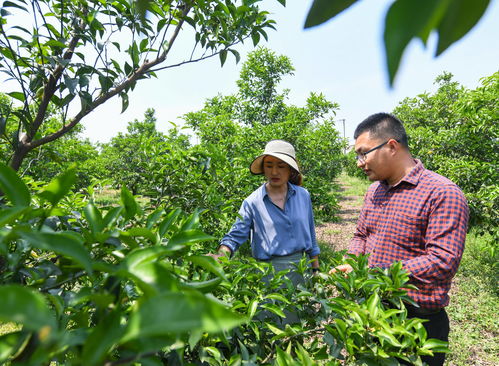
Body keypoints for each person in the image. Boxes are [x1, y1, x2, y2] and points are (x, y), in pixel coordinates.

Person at [334, 113, 468, 366]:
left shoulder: (442, 193)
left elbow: (442, 261)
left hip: (416, 321)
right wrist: (352, 261)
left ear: (391, 146)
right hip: (373, 311)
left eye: (364, 153)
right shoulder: (374, 191)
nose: (359, 162)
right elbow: (361, 235)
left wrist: (376, 272)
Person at [210, 139, 320, 322]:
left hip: (300, 270)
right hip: (269, 273)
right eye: (269, 165)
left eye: (281, 166)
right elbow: (235, 235)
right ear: (263, 168)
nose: (274, 172)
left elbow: (311, 236)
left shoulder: (303, 195)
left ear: (290, 169)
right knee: (271, 327)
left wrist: (316, 270)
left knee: (297, 328)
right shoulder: (253, 202)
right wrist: (222, 254)